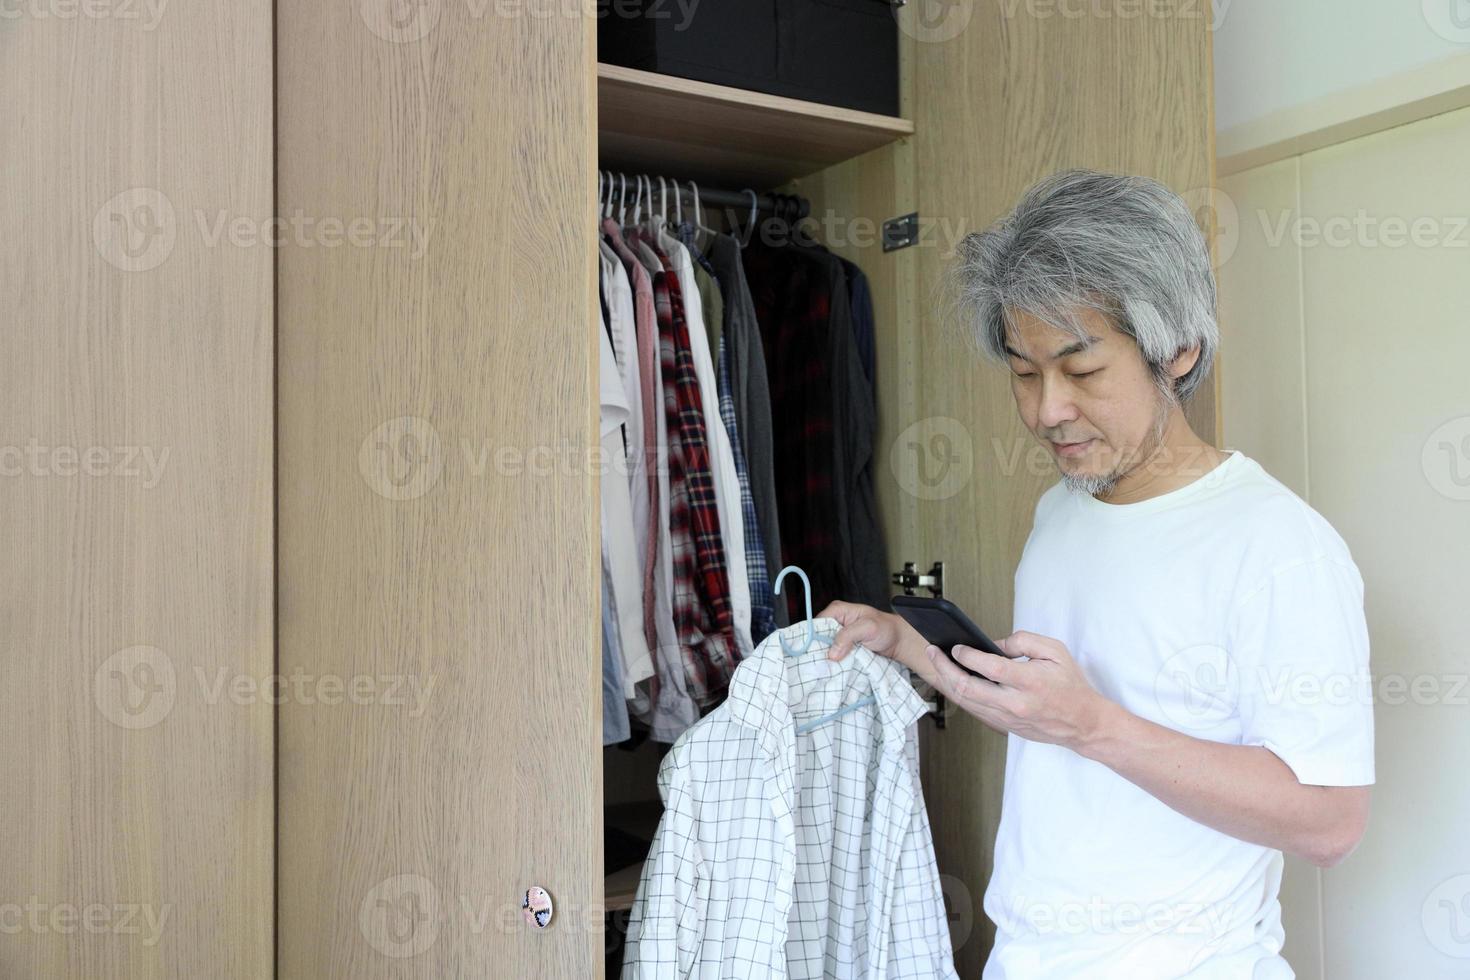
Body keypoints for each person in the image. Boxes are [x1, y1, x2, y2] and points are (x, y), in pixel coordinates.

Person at [819, 170, 1374, 978]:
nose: (1046, 411)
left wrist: (1094, 725)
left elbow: (1331, 824)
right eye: (1023, 371)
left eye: (1081, 373)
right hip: (1029, 956)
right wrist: (905, 642)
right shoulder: (1063, 511)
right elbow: (1051, 716)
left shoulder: (1278, 546)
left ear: (1178, 350)